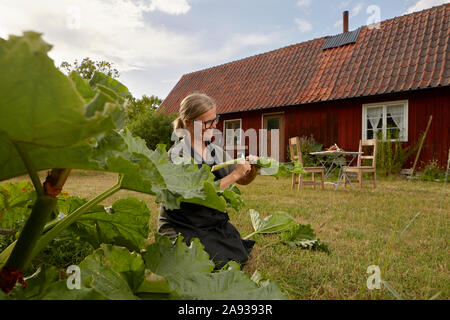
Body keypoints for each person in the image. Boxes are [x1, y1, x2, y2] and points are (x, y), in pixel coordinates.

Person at [157, 93, 259, 269]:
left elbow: (241, 179)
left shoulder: (215, 151)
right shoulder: (177, 154)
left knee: (235, 252)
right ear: (188, 122)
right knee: (205, 262)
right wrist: (234, 175)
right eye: (206, 123)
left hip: (207, 221)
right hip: (181, 222)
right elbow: (196, 193)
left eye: (215, 119)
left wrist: (251, 168)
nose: (213, 126)